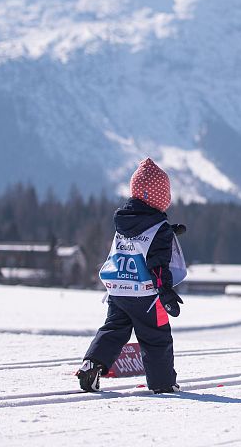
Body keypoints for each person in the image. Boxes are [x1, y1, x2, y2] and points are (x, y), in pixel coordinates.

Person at [77, 158, 187, 394]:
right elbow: (157, 264)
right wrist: (166, 292)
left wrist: (168, 232)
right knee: (156, 337)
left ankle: (92, 363)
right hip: (146, 294)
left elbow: (140, 240)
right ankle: (163, 383)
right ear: (159, 197)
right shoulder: (158, 230)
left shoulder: (124, 223)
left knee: (114, 330)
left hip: (118, 289)